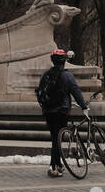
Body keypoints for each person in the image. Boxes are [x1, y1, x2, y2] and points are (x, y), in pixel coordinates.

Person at [35, 49, 88, 178]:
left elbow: (40, 92)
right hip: (61, 110)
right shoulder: (67, 75)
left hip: (48, 111)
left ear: (53, 61)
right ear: (64, 61)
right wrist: (83, 106)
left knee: (55, 138)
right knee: (57, 140)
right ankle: (53, 167)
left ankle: (58, 165)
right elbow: (76, 92)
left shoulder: (45, 74)